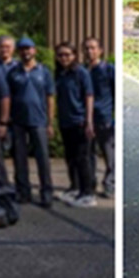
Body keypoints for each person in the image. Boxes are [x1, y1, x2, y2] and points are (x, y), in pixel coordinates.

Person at [6, 37, 55, 206]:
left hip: (39, 121)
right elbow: (8, 98)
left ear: (34, 50)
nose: (26, 52)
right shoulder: (13, 73)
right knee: (20, 159)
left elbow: (50, 98)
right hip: (18, 121)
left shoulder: (44, 71)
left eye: (28, 48)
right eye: (22, 49)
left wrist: (50, 122)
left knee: (43, 159)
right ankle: (23, 191)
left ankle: (46, 192)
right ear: (18, 52)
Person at [54, 41, 96, 207]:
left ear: (74, 56)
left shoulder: (81, 73)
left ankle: (88, 193)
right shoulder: (60, 74)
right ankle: (75, 187)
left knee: (82, 158)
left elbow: (89, 97)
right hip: (66, 122)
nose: (64, 58)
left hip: (80, 122)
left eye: (67, 55)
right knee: (70, 158)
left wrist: (89, 121)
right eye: (61, 55)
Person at [83, 35, 115, 199]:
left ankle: (110, 184)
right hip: (86, 120)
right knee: (88, 156)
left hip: (104, 119)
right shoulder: (82, 71)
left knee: (110, 156)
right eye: (87, 48)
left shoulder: (108, 70)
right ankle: (90, 184)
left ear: (100, 50)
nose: (90, 51)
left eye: (93, 48)